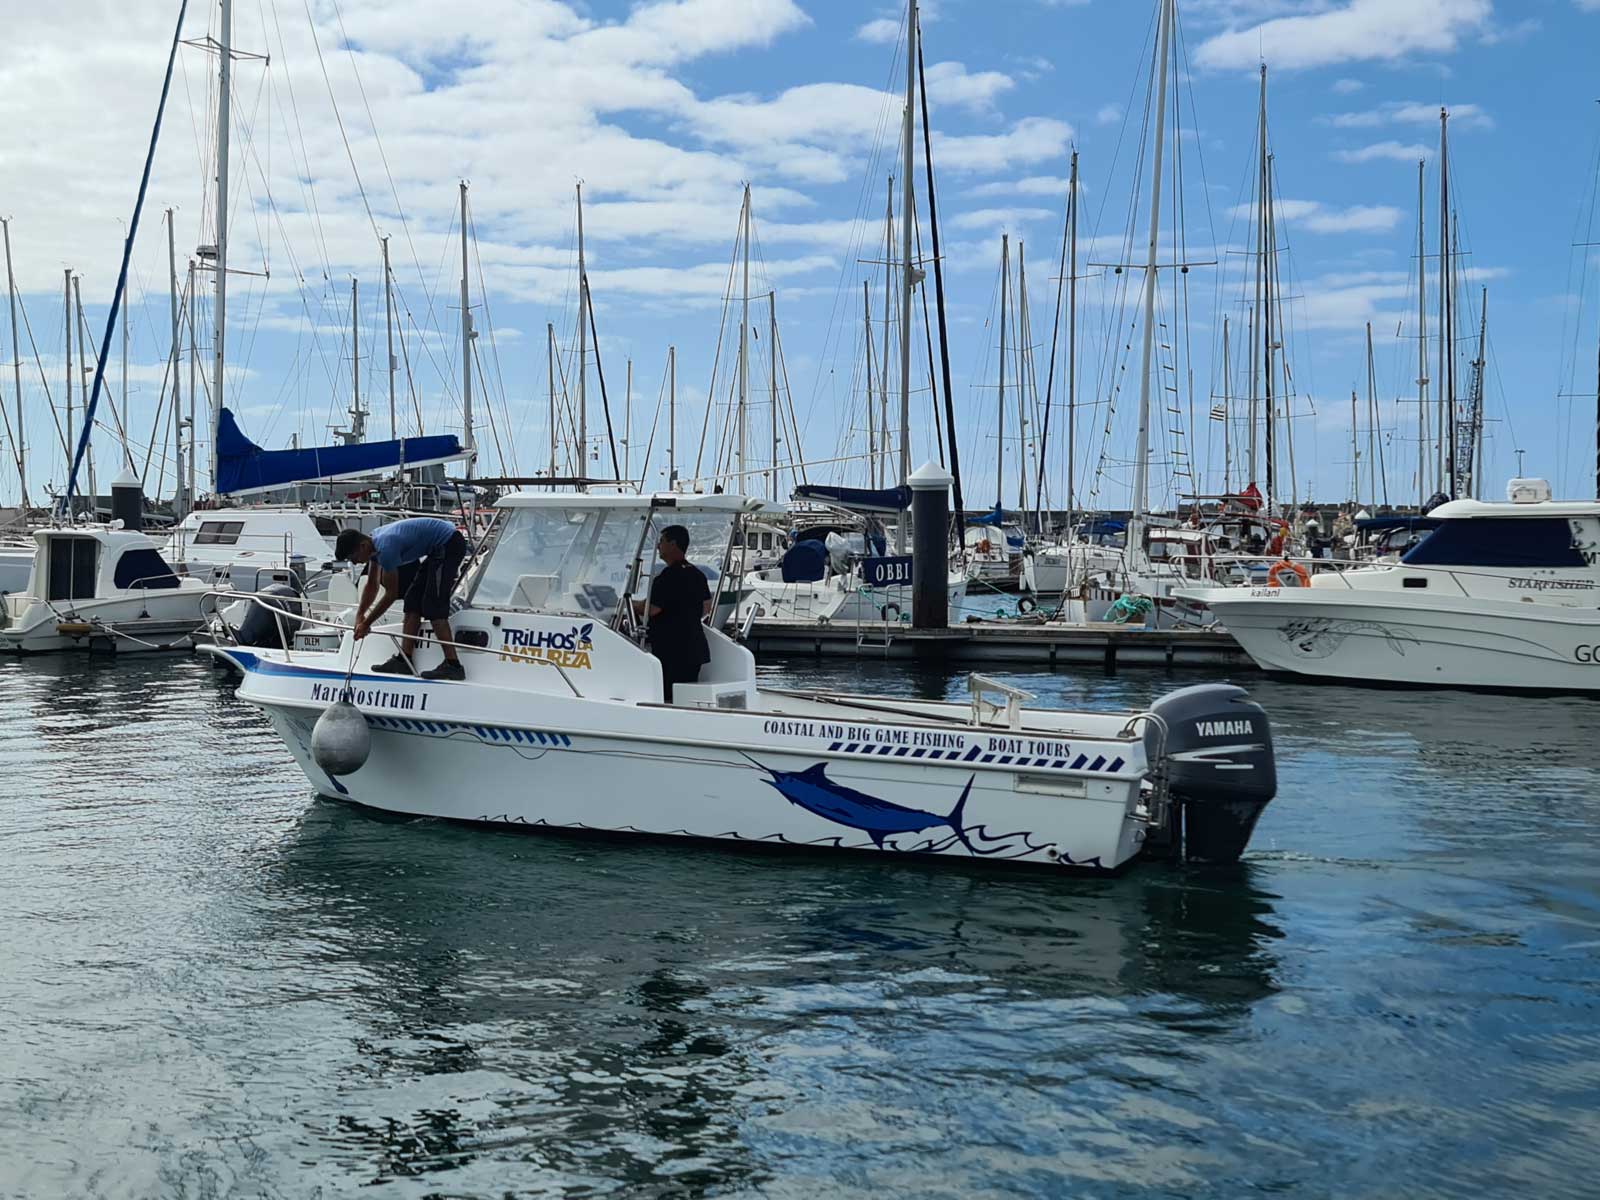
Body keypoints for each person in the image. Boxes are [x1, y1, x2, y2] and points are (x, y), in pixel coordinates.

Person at [334, 516, 468, 680]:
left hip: (449, 544)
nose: (354, 563)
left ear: (362, 546)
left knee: (433, 606)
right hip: (436, 549)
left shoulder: (386, 547)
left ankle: (453, 665)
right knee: (412, 601)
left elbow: (391, 594)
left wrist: (366, 624)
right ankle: (404, 661)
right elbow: (372, 585)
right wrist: (360, 616)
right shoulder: (373, 544)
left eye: (353, 558)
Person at [645, 524, 711, 703]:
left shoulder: (666, 578)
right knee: (685, 696)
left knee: (668, 696)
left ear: (673, 544)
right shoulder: (697, 574)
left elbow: (652, 609)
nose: (658, 546)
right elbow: (707, 607)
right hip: (694, 648)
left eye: (661, 542)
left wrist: (628, 605)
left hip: (672, 650)